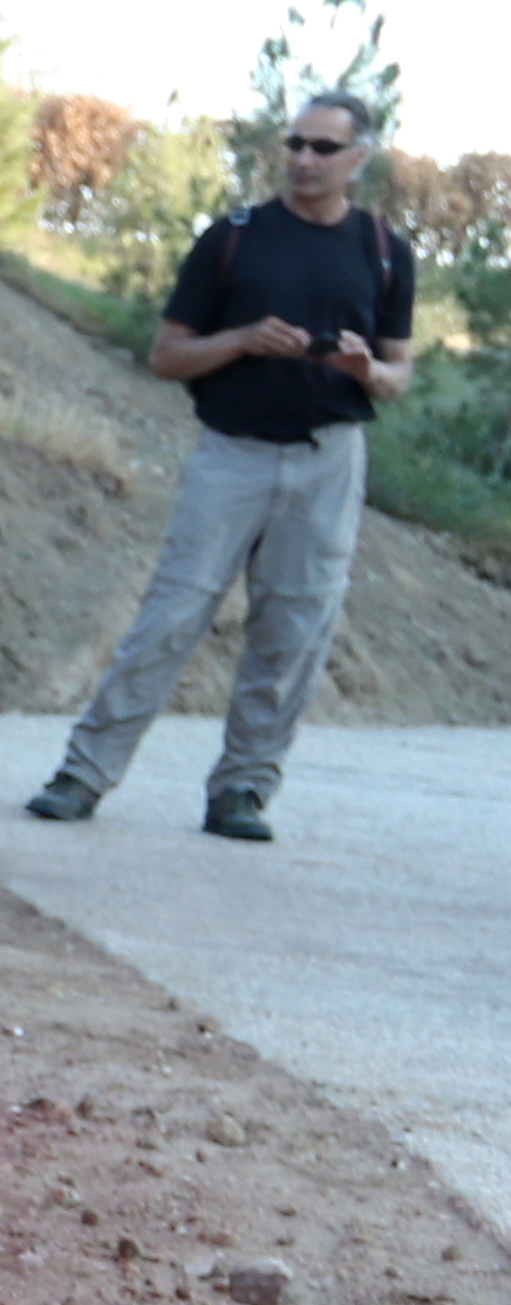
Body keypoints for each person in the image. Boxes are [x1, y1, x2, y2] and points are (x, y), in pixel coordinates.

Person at [27, 93, 414, 843]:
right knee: (170, 618)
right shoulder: (233, 240)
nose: (303, 159)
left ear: (358, 158)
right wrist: (241, 340)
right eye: (294, 143)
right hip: (231, 455)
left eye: (323, 148)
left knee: (294, 631)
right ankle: (81, 775)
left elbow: (400, 376)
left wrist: (368, 370)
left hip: (330, 459)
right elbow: (167, 355)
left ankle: (242, 791)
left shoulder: (385, 250)